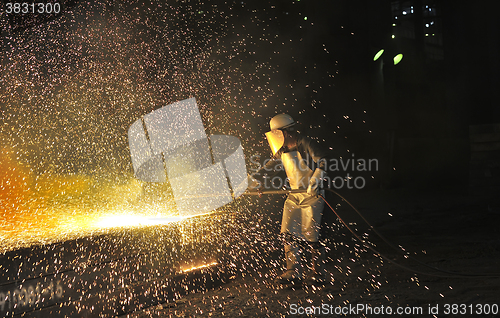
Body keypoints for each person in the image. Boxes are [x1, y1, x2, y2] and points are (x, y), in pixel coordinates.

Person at [250, 113, 328, 285]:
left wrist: (316, 179)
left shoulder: (305, 143)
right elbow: (269, 167)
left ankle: (318, 273)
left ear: (284, 132)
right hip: (294, 195)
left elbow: (323, 161)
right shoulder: (282, 150)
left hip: (312, 195)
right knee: (287, 233)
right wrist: (255, 179)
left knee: (311, 234)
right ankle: (293, 271)